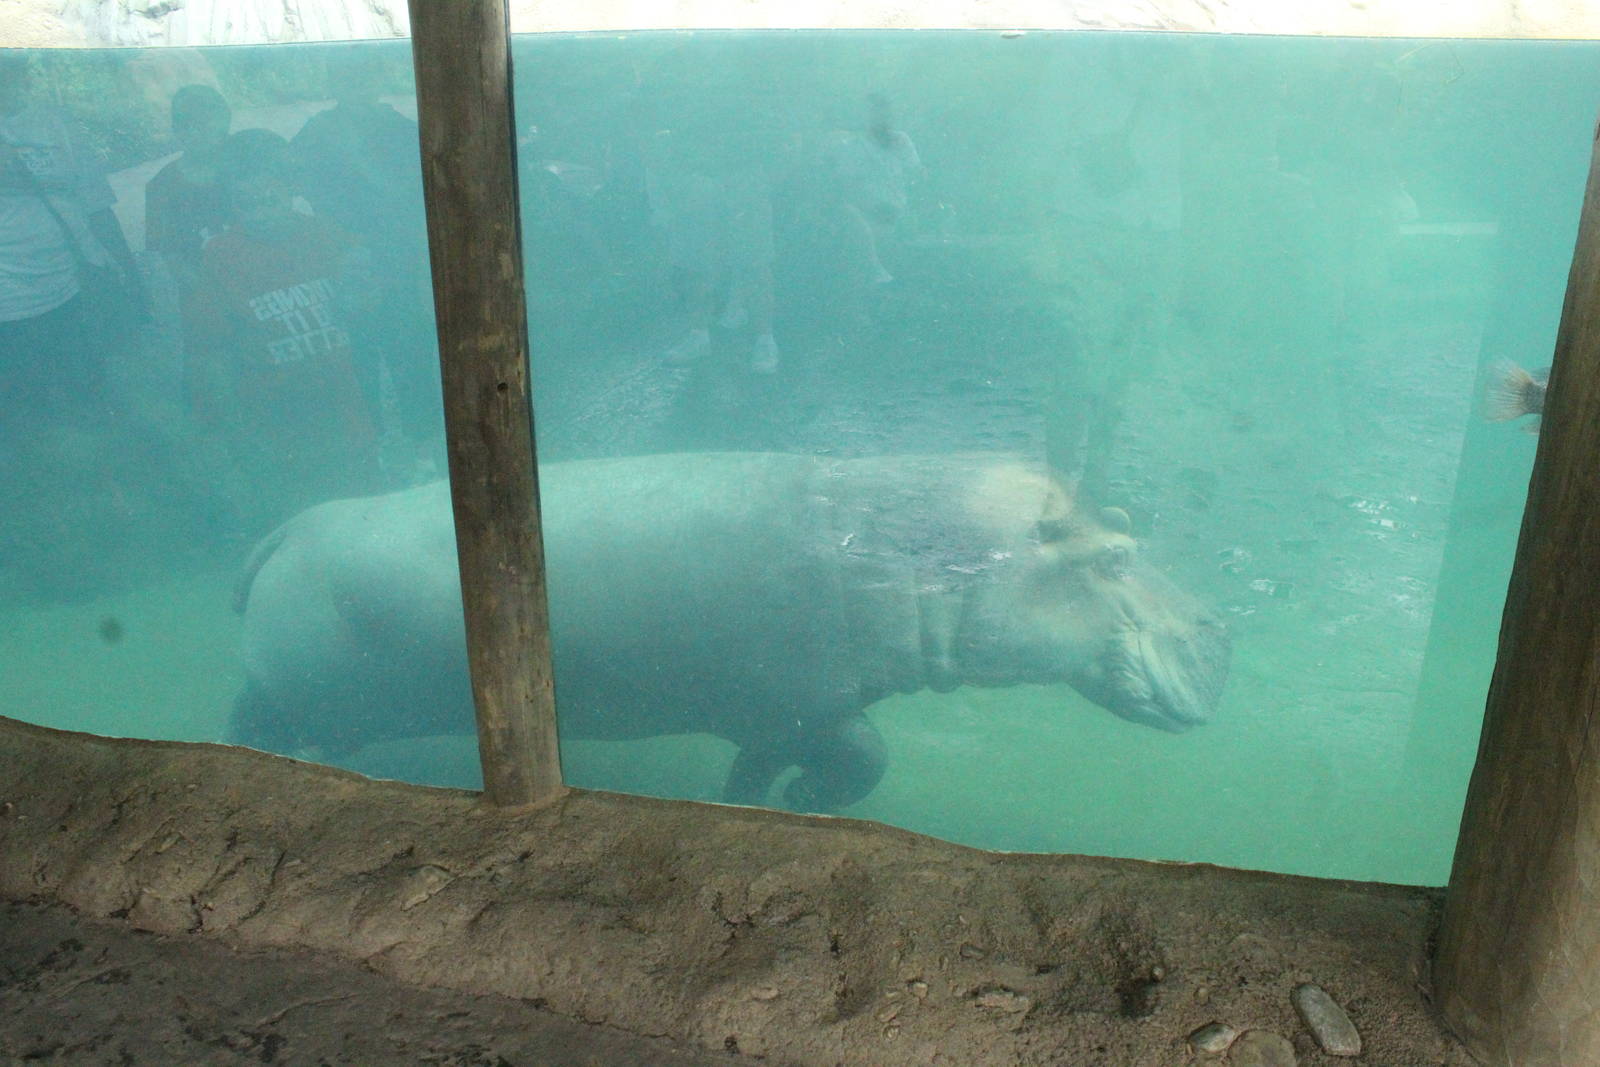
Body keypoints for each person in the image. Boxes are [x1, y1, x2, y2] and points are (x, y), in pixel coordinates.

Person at [188, 128, 382, 529]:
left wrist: (362, 285)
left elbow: (369, 299)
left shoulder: (323, 232)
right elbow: (210, 344)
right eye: (246, 205)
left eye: (269, 200)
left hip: (342, 400)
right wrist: (227, 425)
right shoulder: (221, 256)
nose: (260, 214)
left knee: (363, 510)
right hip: (277, 411)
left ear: (290, 190)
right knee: (301, 517)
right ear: (229, 203)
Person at [291, 47, 439, 458]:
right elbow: (291, 180)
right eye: (346, 79)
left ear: (377, 83)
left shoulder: (400, 129)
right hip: (340, 261)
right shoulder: (317, 132)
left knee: (408, 346)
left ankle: (425, 439)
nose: (356, 87)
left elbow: (416, 189)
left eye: (363, 78)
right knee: (355, 351)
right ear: (333, 85)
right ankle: (367, 439)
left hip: (397, 257)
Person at [0, 51, 145, 422]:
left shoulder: (55, 122)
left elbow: (96, 204)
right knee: (27, 414)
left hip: (74, 285)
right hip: (8, 305)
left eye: (12, 67)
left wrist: (131, 278)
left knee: (90, 399)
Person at [144, 83, 232, 403]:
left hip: (263, 290)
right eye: (187, 124)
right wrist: (215, 295)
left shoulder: (243, 168)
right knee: (213, 384)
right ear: (177, 130)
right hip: (204, 301)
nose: (197, 132)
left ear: (224, 122)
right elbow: (170, 256)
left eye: (206, 122)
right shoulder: (162, 186)